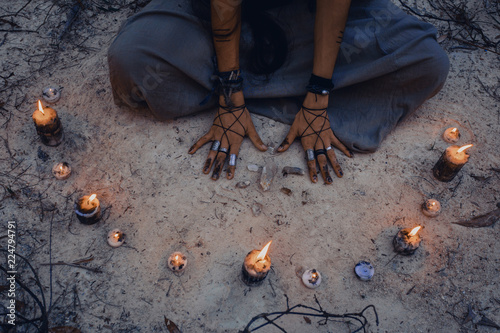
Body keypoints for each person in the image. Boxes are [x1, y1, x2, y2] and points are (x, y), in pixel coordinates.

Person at [108, 0, 449, 183]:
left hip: (309, 18)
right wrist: (230, 97)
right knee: (133, 62)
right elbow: (224, 7)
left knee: (426, 61)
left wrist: (317, 97)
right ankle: (268, 85)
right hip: (213, 16)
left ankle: (280, 85)